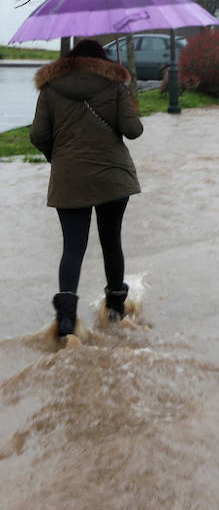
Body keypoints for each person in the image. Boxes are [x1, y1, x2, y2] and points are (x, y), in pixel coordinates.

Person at [30, 39, 143, 338]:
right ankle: (116, 313)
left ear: (70, 59)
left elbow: (38, 134)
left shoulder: (51, 87)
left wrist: (58, 157)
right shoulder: (115, 84)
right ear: (102, 59)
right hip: (113, 178)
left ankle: (66, 322)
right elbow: (133, 130)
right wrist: (128, 98)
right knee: (111, 242)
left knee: (72, 247)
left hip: (69, 179)